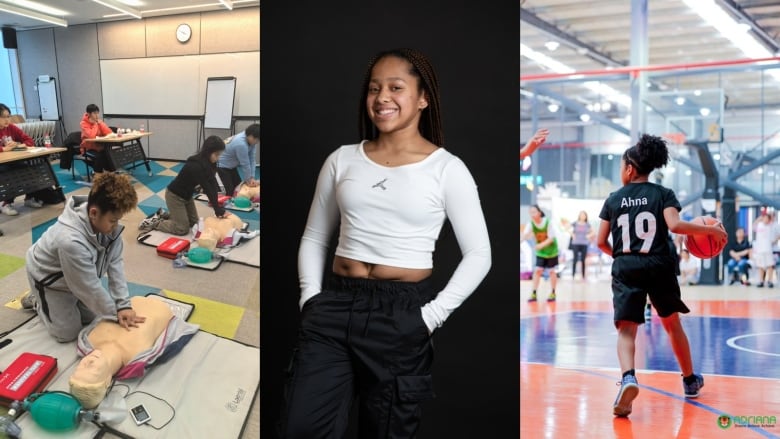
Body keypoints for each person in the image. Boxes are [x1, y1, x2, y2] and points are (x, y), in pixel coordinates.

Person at [278, 48, 491, 438]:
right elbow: (314, 236)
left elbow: (480, 254)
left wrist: (431, 317)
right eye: (374, 88)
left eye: (396, 87)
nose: (382, 98)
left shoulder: (447, 169)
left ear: (423, 98)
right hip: (335, 307)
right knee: (301, 429)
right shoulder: (342, 159)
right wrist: (311, 298)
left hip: (402, 314)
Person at [596, 133, 727, 417]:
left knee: (627, 329)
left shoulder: (613, 199)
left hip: (626, 265)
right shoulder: (663, 194)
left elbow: (600, 241)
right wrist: (710, 230)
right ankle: (690, 380)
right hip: (659, 265)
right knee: (671, 324)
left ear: (629, 169)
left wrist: (622, 257)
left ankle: (629, 377)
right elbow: (676, 225)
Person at [24, 172, 145, 342]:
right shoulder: (70, 241)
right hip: (48, 280)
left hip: (75, 278)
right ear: (94, 213)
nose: (115, 226)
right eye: (112, 220)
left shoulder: (109, 229)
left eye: (118, 220)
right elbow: (87, 287)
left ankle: (63, 302)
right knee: (67, 334)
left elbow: (115, 265)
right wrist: (115, 313)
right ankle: (37, 300)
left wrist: (123, 304)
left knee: (92, 319)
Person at [69, 295, 199, 409]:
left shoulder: (88, 341)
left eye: (80, 367)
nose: (88, 361)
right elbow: (170, 339)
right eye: (92, 370)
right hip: (160, 307)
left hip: (129, 301)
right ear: (107, 381)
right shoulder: (138, 357)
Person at [139, 136, 232, 235]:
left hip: (187, 197)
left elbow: (213, 183)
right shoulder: (196, 165)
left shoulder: (210, 162)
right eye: (216, 155)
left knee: (194, 223)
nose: (218, 158)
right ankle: (155, 223)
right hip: (175, 197)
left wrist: (218, 208)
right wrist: (217, 209)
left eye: (219, 155)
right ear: (208, 151)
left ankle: (164, 214)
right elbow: (207, 188)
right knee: (182, 229)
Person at [0, 103, 45, 215]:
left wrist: (18, 144)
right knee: (11, 174)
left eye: (8, 116)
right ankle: (6, 203)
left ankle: (29, 198)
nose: (7, 120)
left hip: (14, 160)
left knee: (30, 170)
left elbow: (29, 141)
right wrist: (4, 149)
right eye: (4, 117)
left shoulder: (11, 128)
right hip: (3, 163)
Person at [523, 204, 559, 302]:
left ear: (539, 213)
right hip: (541, 252)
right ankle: (534, 293)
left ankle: (553, 292)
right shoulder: (530, 224)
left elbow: (551, 238)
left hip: (552, 250)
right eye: (530, 212)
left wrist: (540, 245)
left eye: (534, 212)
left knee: (552, 271)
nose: (532, 214)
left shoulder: (548, 222)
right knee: (538, 271)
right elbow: (525, 235)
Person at [217, 123, 260, 197]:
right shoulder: (240, 143)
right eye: (257, 140)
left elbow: (252, 159)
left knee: (238, 188)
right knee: (229, 192)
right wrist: (249, 180)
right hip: (221, 166)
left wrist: (252, 177)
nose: (257, 142)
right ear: (251, 136)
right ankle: (205, 186)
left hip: (231, 166)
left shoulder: (250, 140)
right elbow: (245, 164)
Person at [79, 104, 115, 173]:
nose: (97, 115)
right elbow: (91, 136)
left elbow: (109, 133)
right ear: (89, 114)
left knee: (110, 154)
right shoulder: (83, 123)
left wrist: (101, 124)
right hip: (88, 149)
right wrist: (96, 124)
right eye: (94, 113)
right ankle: (98, 174)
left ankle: (110, 172)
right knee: (100, 156)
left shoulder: (99, 122)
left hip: (99, 147)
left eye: (97, 113)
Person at [570, 210, 593, 280]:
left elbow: (593, 232)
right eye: (581, 215)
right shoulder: (575, 223)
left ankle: (583, 276)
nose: (582, 216)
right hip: (576, 243)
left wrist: (589, 236)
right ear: (579, 216)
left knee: (583, 260)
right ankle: (573, 276)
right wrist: (572, 234)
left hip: (584, 244)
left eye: (584, 215)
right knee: (575, 259)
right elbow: (567, 228)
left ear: (586, 216)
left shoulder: (587, 224)